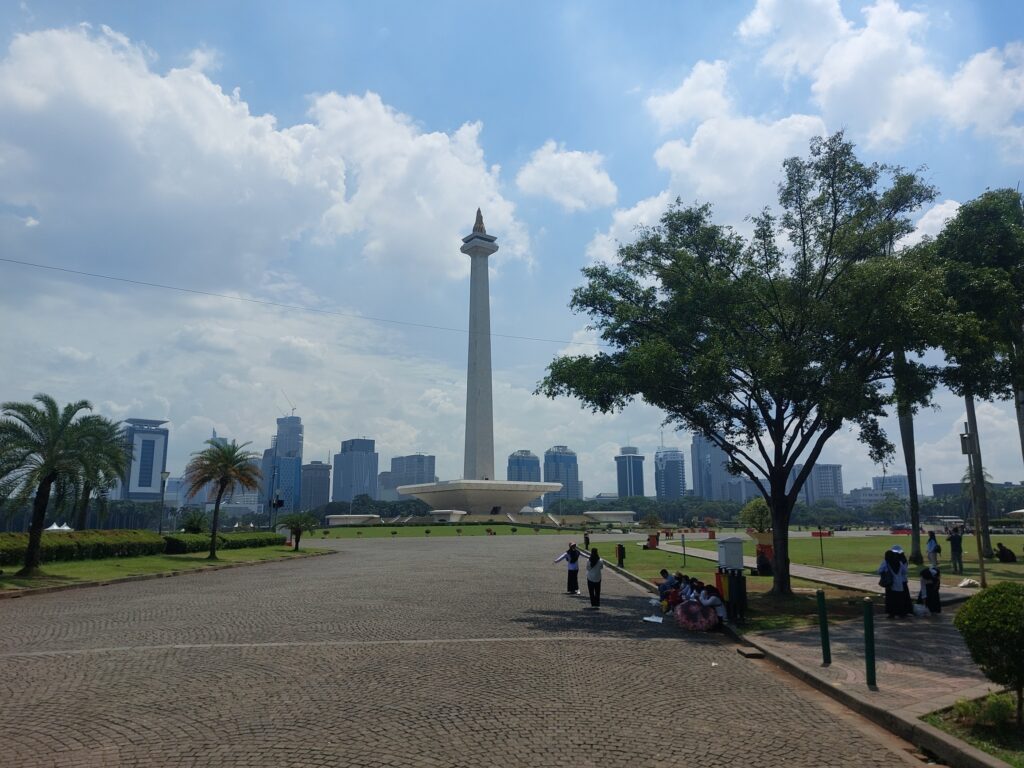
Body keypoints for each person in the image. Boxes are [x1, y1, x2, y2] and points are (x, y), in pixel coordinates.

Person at [877, 545, 912, 619]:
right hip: (899, 583)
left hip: (890, 584)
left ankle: (891, 613)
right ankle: (901, 613)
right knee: (900, 598)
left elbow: (879, 571)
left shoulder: (886, 563)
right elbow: (905, 571)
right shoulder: (900, 562)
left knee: (891, 599)